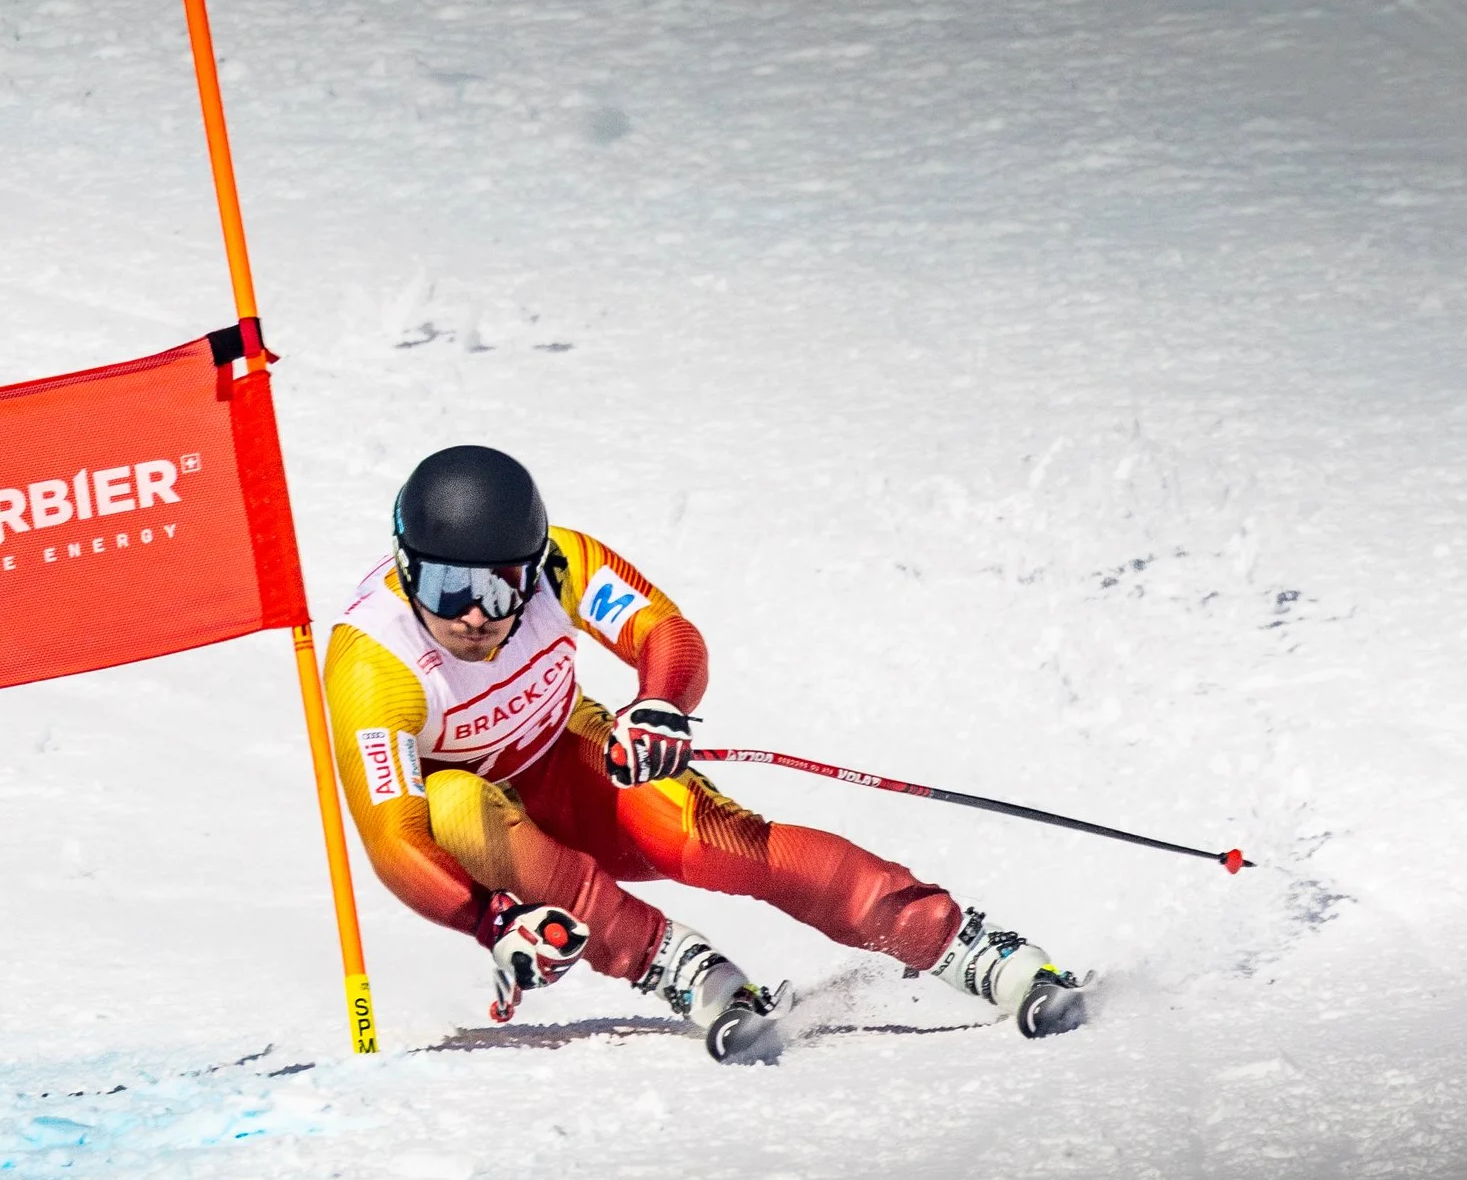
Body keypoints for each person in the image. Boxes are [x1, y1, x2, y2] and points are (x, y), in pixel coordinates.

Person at [323, 445, 1086, 1062]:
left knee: (701, 838)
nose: (474, 615)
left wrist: (659, 704)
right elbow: (394, 838)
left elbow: (666, 632)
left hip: (575, 762)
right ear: (406, 566)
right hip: (495, 834)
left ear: (532, 566)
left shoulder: (561, 563)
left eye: (500, 588)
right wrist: (490, 921)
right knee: (452, 802)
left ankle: (965, 945)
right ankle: (683, 971)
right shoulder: (374, 664)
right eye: (447, 587)